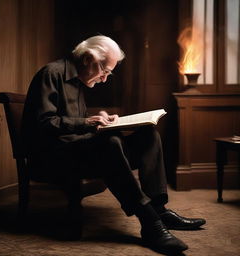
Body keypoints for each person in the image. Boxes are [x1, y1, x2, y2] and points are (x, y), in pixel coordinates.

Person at [21, 35, 206, 254]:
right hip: (56, 158)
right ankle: (149, 222)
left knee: (148, 135)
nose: (104, 79)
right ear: (89, 58)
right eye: (105, 71)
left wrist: (97, 118)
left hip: (82, 151)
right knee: (110, 142)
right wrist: (87, 122)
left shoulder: (78, 80)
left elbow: (71, 121)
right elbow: (43, 124)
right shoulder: (51, 74)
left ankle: (159, 209)